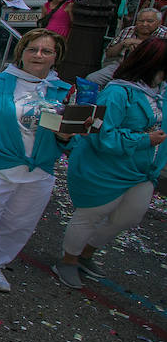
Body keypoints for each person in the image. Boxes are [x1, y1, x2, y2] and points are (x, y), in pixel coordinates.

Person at [0, 29, 72, 294]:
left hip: (39, 168)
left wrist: (66, 137)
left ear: (56, 57)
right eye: (32, 49)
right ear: (21, 52)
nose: (38, 55)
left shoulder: (62, 91)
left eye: (46, 51)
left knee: (18, 223)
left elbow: (72, 137)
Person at [56, 38, 167, 289]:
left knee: (129, 216)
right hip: (105, 168)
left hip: (142, 171)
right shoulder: (118, 92)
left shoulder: (162, 93)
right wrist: (144, 139)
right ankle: (68, 260)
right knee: (91, 214)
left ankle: (86, 254)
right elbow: (102, 135)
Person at [86, 7, 167, 87]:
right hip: (124, 65)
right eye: (141, 21)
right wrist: (123, 43)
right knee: (92, 79)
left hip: (152, 69)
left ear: (159, 22)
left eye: (150, 21)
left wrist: (137, 43)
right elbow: (109, 53)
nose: (144, 24)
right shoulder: (128, 30)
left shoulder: (164, 34)